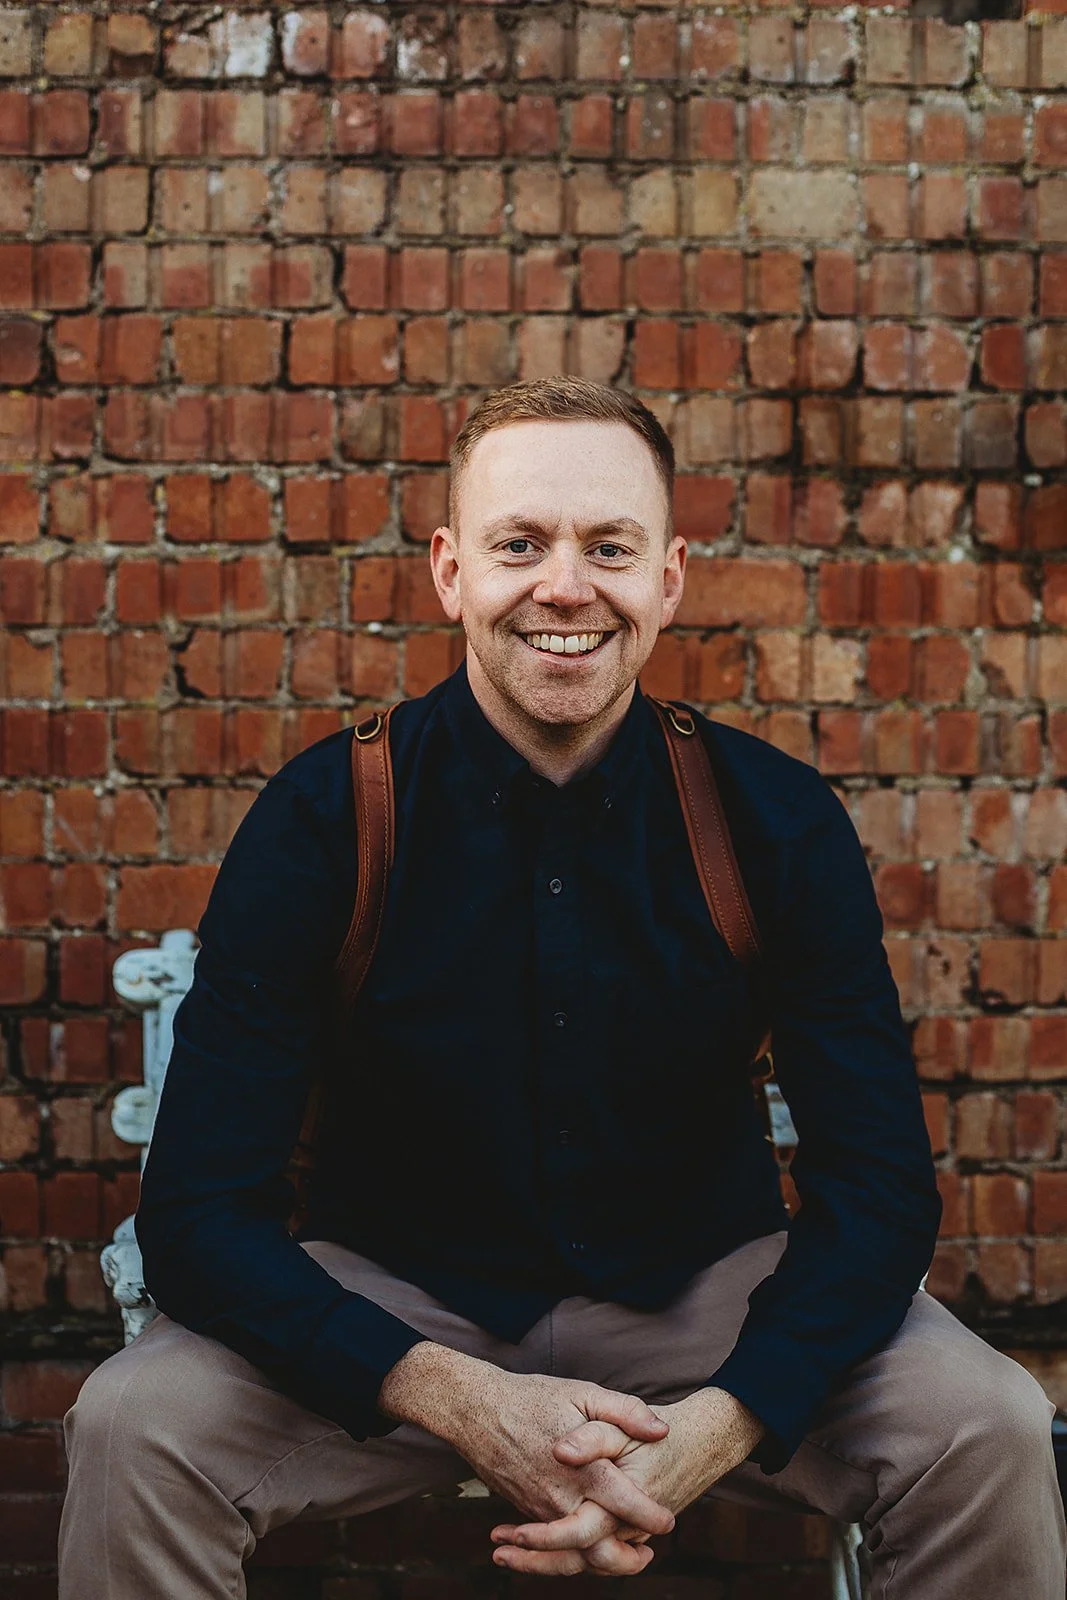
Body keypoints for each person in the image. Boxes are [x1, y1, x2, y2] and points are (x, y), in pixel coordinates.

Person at [59, 378, 1065, 1599]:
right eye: (519, 545)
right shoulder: (326, 819)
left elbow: (879, 1185)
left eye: (608, 548)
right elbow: (199, 1216)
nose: (564, 587)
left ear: (668, 579)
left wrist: (727, 1417)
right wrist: (449, 1390)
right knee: (132, 1428)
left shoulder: (773, 818)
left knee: (988, 1424)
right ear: (449, 573)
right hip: (395, 1299)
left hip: (709, 1297)